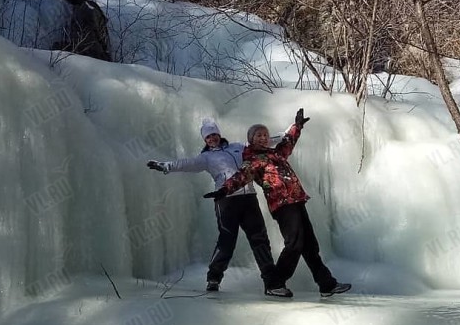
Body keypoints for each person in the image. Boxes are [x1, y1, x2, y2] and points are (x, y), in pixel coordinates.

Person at [204, 108, 351, 298]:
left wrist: (297, 126)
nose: (264, 138)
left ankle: (326, 284)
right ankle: (274, 283)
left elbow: (288, 142)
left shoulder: (276, 154)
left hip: (296, 199)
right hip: (282, 204)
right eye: (259, 135)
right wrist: (224, 190)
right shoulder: (254, 160)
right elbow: (241, 177)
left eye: (265, 134)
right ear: (251, 139)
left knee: (309, 246)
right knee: (294, 244)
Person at [147, 118, 290, 296]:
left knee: (260, 240)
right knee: (227, 241)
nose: (212, 138)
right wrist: (166, 166)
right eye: (208, 137)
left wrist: (286, 134)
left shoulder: (238, 147)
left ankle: (272, 284)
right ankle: (213, 278)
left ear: (219, 135)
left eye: (214, 134)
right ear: (205, 140)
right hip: (226, 200)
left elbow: (262, 141)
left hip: (249, 199)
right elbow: (186, 164)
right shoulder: (206, 158)